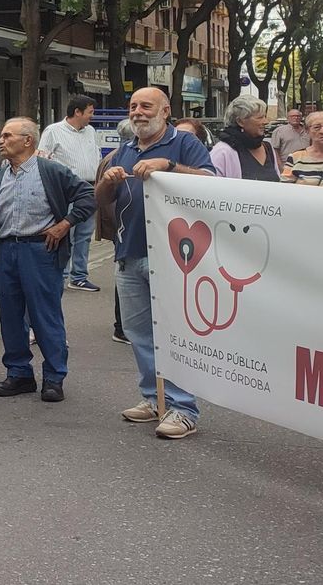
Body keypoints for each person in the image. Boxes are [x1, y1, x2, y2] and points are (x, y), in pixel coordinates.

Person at [98, 86, 214, 441]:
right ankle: (155, 398)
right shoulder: (126, 149)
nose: (138, 112)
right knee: (139, 334)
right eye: (133, 107)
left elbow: (213, 183)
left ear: (166, 111)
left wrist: (170, 166)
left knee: (173, 334)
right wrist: (106, 181)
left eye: (146, 106)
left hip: (173, 258)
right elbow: (101, 200)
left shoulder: (184, 144)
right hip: (129, 253)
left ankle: (183, 409)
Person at [0, 117, 95, 403]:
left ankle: (53, 377)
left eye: (7, 136)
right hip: (6, 251)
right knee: (11, 316)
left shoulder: (50, 170)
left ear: (28, 140)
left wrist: (65, 224)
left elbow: (87, 195)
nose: (0, 141)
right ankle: (19, 373)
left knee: (45, 315)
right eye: (0, 136)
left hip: (40, 251)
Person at [37, 96, 100, 292]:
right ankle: (61, 274)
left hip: (89, 188)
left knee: (85, 235)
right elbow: (42, 158)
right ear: (77, 112)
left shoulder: (90, 131)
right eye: (90, 112)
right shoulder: (53, 131)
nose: (92, 116)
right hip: (66, 190)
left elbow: (96, 154)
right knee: (67, 233)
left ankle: (79, 275)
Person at [95, 119, 134, 345]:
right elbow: (109, 201)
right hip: (121, 228)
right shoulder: (117, 159)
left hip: (118, 227)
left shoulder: (116, 156)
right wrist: (120, 226)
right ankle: (122, 326)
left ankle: (124, 325)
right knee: (125, 274)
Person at [209, 96, 279, 181]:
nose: (266, 122)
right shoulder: (222, 152)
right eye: (260, 118)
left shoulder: (267, 148)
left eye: (264, 116)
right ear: (240, 122)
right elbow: (211, 187)